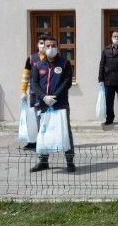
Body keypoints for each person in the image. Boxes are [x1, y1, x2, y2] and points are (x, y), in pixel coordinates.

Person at [29, 37, 76, 173]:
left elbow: (67, 82)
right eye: (47, 46)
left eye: (53, 45)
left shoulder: (65, 63)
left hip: (60, 104)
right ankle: (43, 161)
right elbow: (34, 83)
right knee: (43, 131)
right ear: (44, 48)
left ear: (58, 47)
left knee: (65, 131)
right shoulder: (37, 65)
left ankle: (70, 161)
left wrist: (54, 97)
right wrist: (44, 97)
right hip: (42, 104)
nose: (50, 48)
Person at [20, 34, 48, 150]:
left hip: (47, 94)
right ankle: (33, 141)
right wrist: (23, 90)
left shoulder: (52, 58)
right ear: (37, 44)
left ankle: (46, 140)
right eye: (41, 43)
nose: (42, 46)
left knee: (46, 117)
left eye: (44, 43)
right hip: (33, 94)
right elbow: (26, 75)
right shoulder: (31, 58)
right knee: (33, 118)